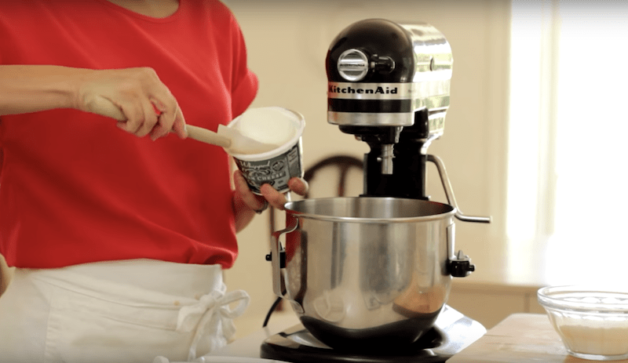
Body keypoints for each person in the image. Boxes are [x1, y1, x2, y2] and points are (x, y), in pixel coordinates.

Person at [0, 0, 307, 362]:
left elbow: (192, 223)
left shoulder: (215, 20)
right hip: (72, 331)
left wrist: (245, 203)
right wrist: (80, 85)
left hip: (202, 325)